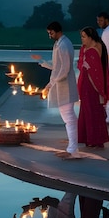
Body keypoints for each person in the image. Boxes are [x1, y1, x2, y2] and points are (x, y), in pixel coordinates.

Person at [32, 21, 79, 155]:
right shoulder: (59, 44)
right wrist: (42, 61)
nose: (50, 36)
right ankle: (72, 146)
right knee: (68, 117)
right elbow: (57, 65)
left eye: (51, 33)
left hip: (65, 86)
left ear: (58, 31)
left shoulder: (64, 45)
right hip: (61, 85)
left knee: (69, 117)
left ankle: (73, 149)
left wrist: (51, 84)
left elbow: (64, 69)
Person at [77, 26, 109, 149]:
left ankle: (94, 139)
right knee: (91, 110)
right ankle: (92, 139)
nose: (82, 39)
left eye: (83, 37)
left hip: (91, 84)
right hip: (89, 82)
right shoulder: (93, 47)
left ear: (90, 37)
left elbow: (96, 69)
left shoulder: (94, 49)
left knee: (92, 111)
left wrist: (87, 65)